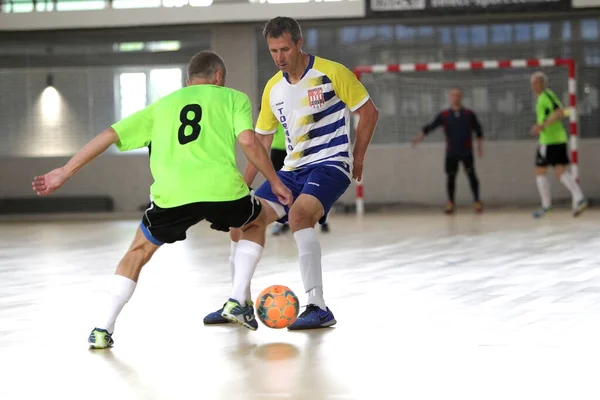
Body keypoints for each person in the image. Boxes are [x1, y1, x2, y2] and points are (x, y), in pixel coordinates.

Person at [31, 51, 292, 348]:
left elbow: (108, 135)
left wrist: (65, 171)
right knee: (254, 221)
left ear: (187, 80)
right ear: (219, 76)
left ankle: (102, 328)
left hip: (172, 195)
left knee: (137, 252)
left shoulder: (160, 107)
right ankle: (236, 299)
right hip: (221, 189)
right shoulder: (234, 98)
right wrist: (274, 181)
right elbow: (248, 141)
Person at [204, 16, 379, 330]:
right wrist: (240, 187)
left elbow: (368, 112)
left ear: (299, 43)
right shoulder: (273, 87)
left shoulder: (332, 72)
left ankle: (318, 306)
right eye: (273, 51)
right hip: (291, 170)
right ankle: (238, 302)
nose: (279, 57)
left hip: (330, 163)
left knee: (300, 216)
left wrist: (359, 155)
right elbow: (261, 141)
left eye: (284, 49)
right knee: (244, 219)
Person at [412, 88, 483, 214]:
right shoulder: (444, 115)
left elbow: (478, 130)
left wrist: (479, 147)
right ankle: (450, 202)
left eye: (458, 96)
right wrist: (419, 137)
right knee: (451, 177)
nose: (455, 98)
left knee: (471, 176)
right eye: (453, 96)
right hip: (452, 152)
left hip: (466, 151)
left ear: (461, 97)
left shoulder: (468, 114)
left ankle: (477, 201)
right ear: (450, 98)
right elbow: (431, 126)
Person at [529, 71, 587, 218]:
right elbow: (561, 112)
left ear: (542, 83)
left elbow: (560, 112)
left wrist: (541, 126)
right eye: (532, 83)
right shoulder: (545, 97)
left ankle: (549, 205)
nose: (533, 86)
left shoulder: (546, 96)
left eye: (535, 83)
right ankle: (577, 198)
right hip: (554, 140)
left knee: (543, 171)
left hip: (550, 141)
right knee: (554, 171)